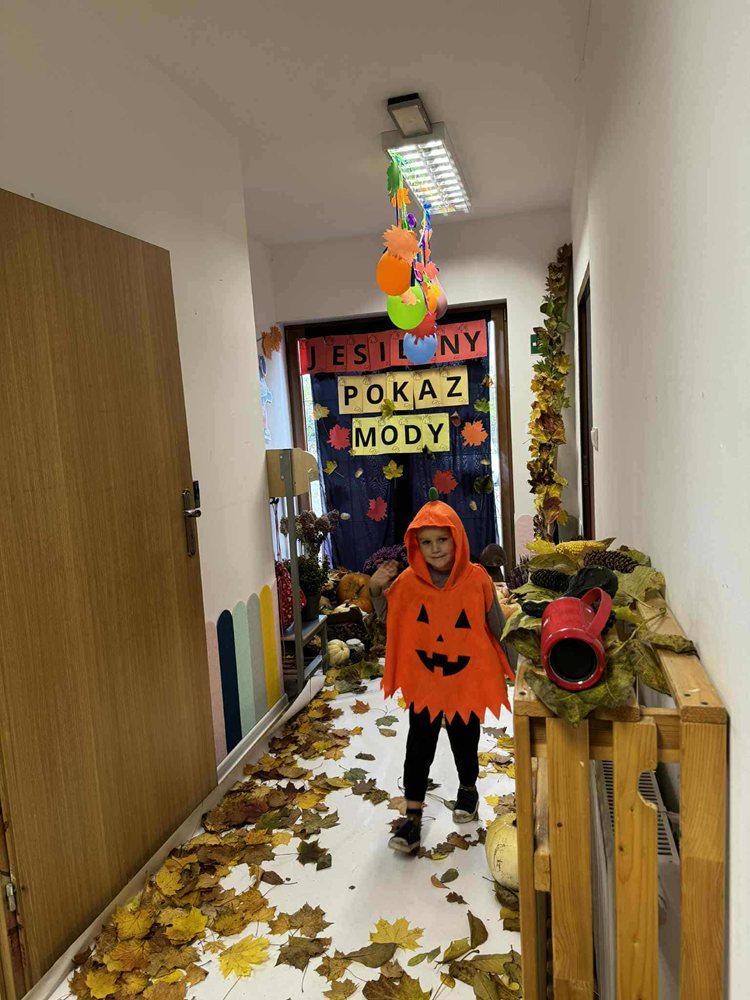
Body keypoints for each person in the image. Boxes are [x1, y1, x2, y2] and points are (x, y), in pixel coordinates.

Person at [369, 495, 514, 854]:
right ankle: (412, 818)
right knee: (419, 744)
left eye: (442, 540)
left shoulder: (477, 579)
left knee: (465, 739)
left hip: (466, 677)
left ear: (457, 538)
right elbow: (389, 617)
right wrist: (375, 588)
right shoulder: (408, 582)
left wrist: (515, 667)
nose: (435, 549)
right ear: (416, 545)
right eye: (426, 542)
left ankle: (468, 789)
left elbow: (497, 624)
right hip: (426, 679)